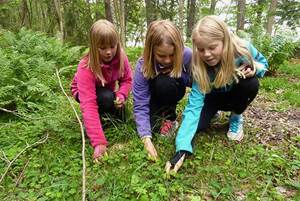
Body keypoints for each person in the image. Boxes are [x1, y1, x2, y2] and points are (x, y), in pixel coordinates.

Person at [165, 15, 268, 174]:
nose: (206, 54)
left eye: (212, 47)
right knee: (197, 126)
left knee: (251, 83)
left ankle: (236, 116)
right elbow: (193, 108)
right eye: (201, 49)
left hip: (235, 94)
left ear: (224, 41)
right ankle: (213, 113)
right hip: (212, 98)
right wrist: (181, 150)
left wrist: (256, 69)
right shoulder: (199, 66)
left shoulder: (242, 49)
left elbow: (264, 64)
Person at [71, 19, 132, 162]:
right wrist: (99, 143)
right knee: (104, 98)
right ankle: (95, 125)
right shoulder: (86, 66)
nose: (109, 52)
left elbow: (127, 80)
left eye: (112, 46)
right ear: (93, 46)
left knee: (123, 116)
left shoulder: (121, 57)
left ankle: (106, 114)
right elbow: (89, 104)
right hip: (84, 93)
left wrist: (122, 95)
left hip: (107, 90)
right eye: (102, 48)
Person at [133, 20, 192, 161]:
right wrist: (146, 139)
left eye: (172, 55)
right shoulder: (143, 66)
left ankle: (170, 117)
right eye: (161, 56)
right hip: (154, 96)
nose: (167, 60)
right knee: (152, 129)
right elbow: (140, 103)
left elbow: (199, 84)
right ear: (151, 50)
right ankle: (161, 116)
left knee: (165, 83)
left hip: (174, 89)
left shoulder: (188, 56)